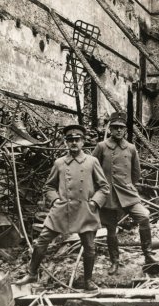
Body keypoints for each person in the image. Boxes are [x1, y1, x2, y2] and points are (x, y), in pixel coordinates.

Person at [16, 124, 109, 290]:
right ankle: (32, 274)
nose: (74, 143)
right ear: (66, 142)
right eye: (70, 140)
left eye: (77, 139)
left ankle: (88, 281)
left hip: (84, 210)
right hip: (61, 210)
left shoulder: (92, 161)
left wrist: (95, 202)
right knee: (42, 241)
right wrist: (54, 201)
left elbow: (104, 187)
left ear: (83, 142)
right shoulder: (59, 163)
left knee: (89, 247)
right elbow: (48, 187)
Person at [92, 112, 157, 275]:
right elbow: (92, 169)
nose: (119, 130)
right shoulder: (101, 147)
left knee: (144, 217)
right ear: (110, 129)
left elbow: (136, 173)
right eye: (115, 128)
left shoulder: (131, 148)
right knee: (111, 229)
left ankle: (148, 256)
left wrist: (127, 185)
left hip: (127, 193)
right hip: (108, 194)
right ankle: (114, 261)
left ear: (125, 130)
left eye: (121, 128)